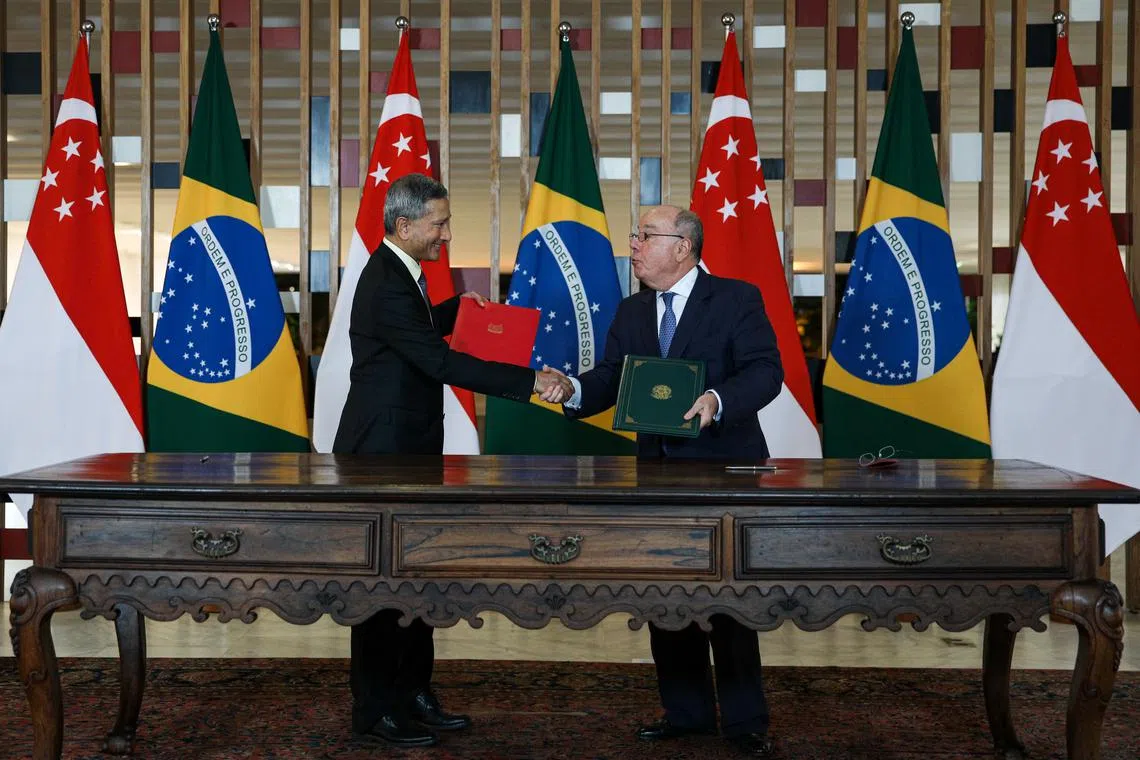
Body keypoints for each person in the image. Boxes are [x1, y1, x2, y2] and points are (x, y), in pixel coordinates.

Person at [333, 173, 572, 748]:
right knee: (381, 586)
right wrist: (529, 381)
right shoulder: (386, 280)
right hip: (383, 453)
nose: (445, 233)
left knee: (417, 580)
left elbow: (413, 334)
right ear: (404, 225)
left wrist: (454, 310)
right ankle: (375, 710)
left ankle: (414, 693)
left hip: (408, 447)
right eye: (438, 223)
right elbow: (436, 364)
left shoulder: (401, 274)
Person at [562, 205, 783, 757]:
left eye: (644, 236)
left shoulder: (736, 298)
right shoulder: (633, 309)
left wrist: (718, 399)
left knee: (730, 602)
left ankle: (743, 720)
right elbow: (612, 378)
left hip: (725, 468)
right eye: (634, 236)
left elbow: (765, 371)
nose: (633, 245)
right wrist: (570, 391)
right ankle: (685, 714)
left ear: (682, 246)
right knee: (666, 595)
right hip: (657, 473)